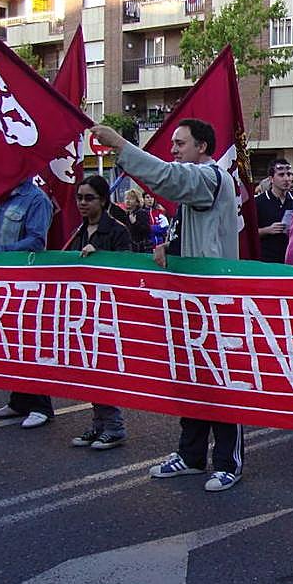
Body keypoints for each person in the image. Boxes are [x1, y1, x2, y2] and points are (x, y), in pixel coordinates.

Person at [92, 118, 245, 492]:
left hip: (214, 302)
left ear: (203, 147)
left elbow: (168, 178)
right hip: (190, 302)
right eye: (173, 144)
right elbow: (192, 232)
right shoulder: (197, 188)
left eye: (181, 143)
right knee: (191, 382)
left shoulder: (209, 177)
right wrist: (169, 248)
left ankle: (228, 462)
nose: (173, 149)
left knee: (220, 383)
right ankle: (192, 456)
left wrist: (121, 146)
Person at [0, 178, 56, 429]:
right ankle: (19, 399)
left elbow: (36, 241)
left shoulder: (36, 199)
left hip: (25, 279)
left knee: (29, 340)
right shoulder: (2, 198)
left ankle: (41, 405)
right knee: (9, 338)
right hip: (4, 279)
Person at [65, 176, 133, 450]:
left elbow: (127, 265)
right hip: (84, 309)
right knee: (90, 368)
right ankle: (99, 422)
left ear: (103, 200)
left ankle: (114, 425)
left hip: (108, 311)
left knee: (104, 367)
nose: (82, 203)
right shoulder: (77, 232)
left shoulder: (117, 230)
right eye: (79, 197)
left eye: (89, 197)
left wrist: (101, 255)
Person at [255, 157, 293, 264]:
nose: (287, 179)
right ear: (271, 179)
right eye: (281, 175)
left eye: (289, 174)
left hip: (291, 259)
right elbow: (248, 234)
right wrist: (267, 230)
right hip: (266, 260)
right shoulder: (259, 202)